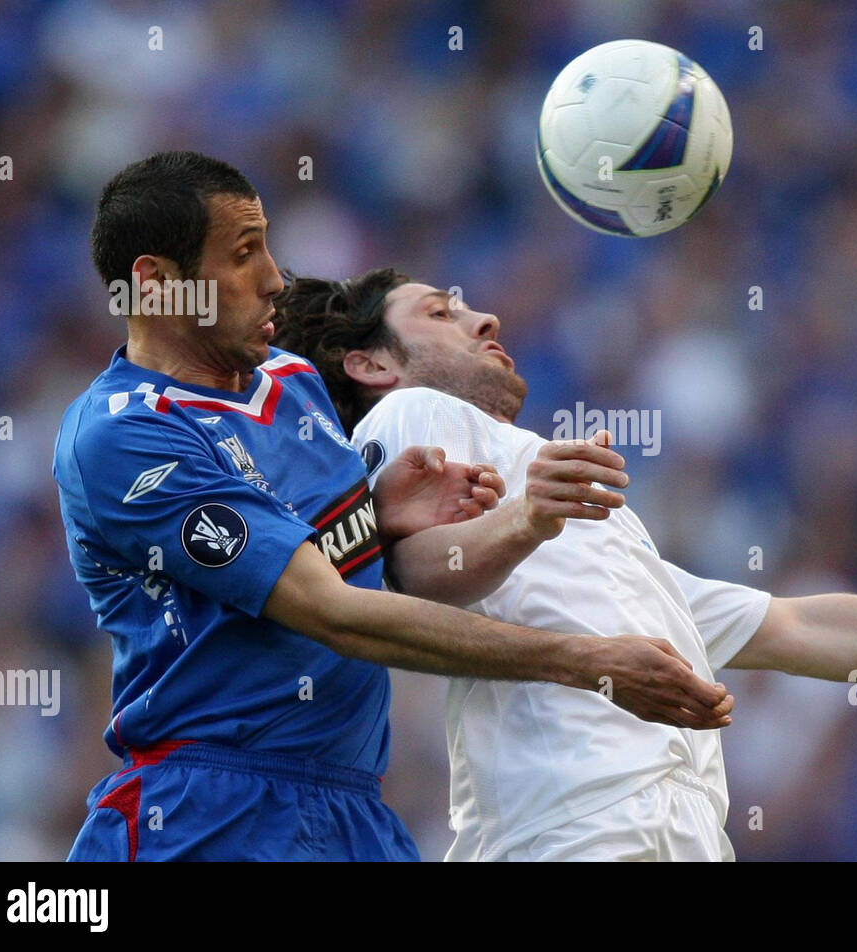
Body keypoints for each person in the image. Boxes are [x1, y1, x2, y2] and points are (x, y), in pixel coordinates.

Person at [271, 267, 857, 862]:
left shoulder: (610, 539)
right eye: (441, 311)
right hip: (573, 833)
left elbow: (808, 627)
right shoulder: (415, 423)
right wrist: (528, 519)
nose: (483, 314)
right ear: (373, 367)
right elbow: (420, 572)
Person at [52, 152, 733, 862]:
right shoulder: (125, 434)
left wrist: (375, 515)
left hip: (353, 815)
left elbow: (315, 561)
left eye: (269, 247)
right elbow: (330, 611)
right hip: (206, 815)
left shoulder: (292, 382)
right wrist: (586, 662)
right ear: (156, 286)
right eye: (244, 254)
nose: (275, 279)